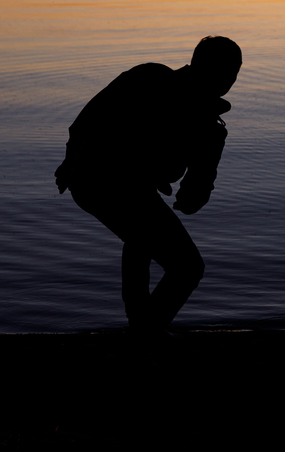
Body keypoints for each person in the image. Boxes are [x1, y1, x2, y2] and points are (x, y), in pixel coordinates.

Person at [54, 36, 242, 343]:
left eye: (233, 72)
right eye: (225, 71)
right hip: (97, 177)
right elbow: (90, 117)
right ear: (198, 64)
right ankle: (144, 331)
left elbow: (195, 192)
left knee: (143, 235)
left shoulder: (210, 127)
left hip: (111, 184)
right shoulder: (149, 77)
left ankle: (142, 326)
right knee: (185, 265)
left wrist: (193, 193)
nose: (229, 79)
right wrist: (70, 159)